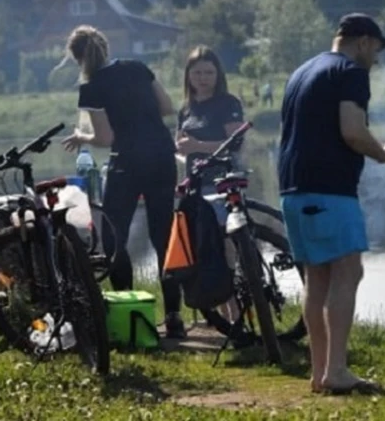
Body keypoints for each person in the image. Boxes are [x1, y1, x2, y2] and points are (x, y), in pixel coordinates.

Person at [277, 13, 385, 395]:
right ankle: (338, 370)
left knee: (318, 278)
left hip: (293, 188)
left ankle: (320, 373)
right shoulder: (350, 72)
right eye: (377, 49)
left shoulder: (302, 71)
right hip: (329, 188)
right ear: (362, 41)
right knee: (349, 271)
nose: (376, 59)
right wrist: (381, 153)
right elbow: (352, 130)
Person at [59, 25, 186, 339]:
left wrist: (81, 137)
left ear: (77, 59)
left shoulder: (91, 87)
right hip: (161, 157)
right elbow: (168, 107)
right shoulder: (137, 68)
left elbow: (105, 138)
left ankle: (128, 310)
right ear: (105, 46)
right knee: (163, 236)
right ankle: (173, 317)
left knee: (114, 237)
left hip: (126, 163)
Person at [175, 45, 245, 223]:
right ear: (188, 75)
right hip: (194, 185)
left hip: (222, 183)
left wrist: (198, 146)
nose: (202, 78)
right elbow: (182, 149)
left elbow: (236, 145)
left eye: (208, 73)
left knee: (224, 235)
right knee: (197, 240)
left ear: (218, 75)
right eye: (197, 73)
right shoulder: (185, 109)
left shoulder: (228, 103)